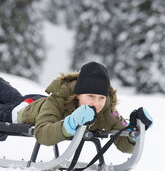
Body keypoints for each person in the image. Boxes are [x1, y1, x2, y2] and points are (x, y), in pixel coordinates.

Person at [0, 62, 153, 153]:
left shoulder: (106, 110)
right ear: (78, 95)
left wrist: (136, 132)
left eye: (101, 97)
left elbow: (124, 145)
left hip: (37, 102)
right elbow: (42, 134)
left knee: (10, 94)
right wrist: (70, 123)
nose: (96, 103)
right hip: (21, 111)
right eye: (91, 96)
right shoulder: (58, 100)